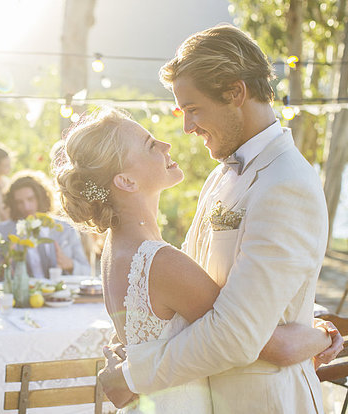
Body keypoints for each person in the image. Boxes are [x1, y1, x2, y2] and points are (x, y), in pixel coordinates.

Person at [93, 25, 338, 413]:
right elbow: (197, 297)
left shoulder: (286, 184)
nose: (187, 128)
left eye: (193, 109)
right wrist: (316, 332)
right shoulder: (221, 174)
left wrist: (132, 376)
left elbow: (237, 332)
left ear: (235, 92)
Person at [55, 107, 341, 413]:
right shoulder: (160, 261)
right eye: (151, 145)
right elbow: (265, 344)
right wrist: (324, 334)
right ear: (126, 181)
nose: (166, 144)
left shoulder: (118, 249)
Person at [0, 170, 90, 280]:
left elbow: (86, 271)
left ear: (40, 197)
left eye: (30, 199)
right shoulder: (3, 231)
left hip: (59, 294)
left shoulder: (65, 228)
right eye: (19, 202)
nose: (26, 207)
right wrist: (6, 262)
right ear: (13, 204)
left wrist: (70, 265)